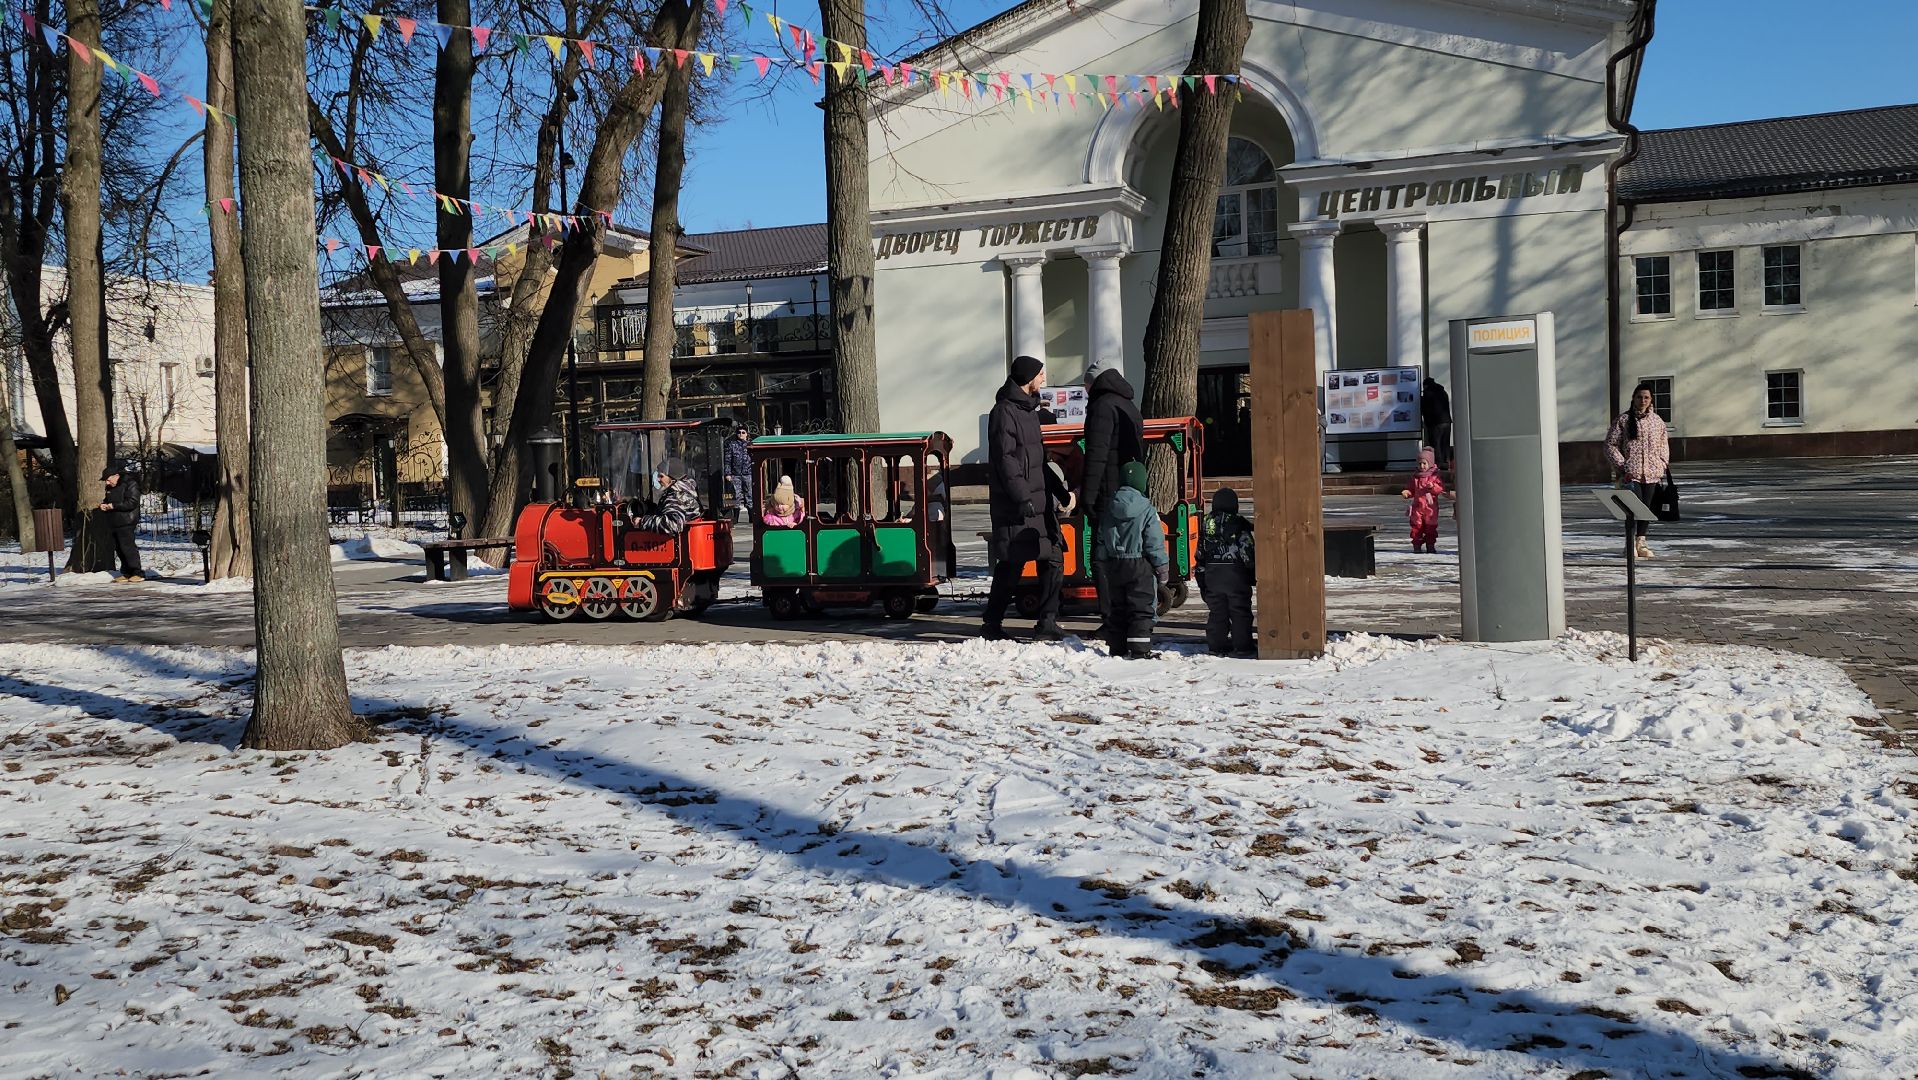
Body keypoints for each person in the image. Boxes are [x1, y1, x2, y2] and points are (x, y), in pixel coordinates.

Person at [982, 354, 1064, 642]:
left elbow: (1038, 461)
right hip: (1017, 506)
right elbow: (1005, 460)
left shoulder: (1029, 411)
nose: (1044, 379)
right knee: (1011, 565)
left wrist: (1059, 490)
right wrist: (1021, 497)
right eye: (1041, 375)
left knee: (1053, 557)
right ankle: (992, 624)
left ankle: (1048, 622)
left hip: (1040, 504)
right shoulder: (1003, 412)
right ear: (1029, 378)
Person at [1080, 361, 1144, 632]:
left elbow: (1096, 455)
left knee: (1102, 559)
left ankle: (1111, 620)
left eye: (1085, 386)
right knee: (1129, 555)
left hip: (1108, 494)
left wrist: (1087, 497)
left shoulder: (1102, 407)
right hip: (1131, 494)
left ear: (1093, 383)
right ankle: (1135, 615)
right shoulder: (1128, 403)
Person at [1094, 461, 1167, 659]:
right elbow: (1154, 540)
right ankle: (1139, 649)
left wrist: (1102, 560)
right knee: (1141, 607)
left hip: (1115, 563)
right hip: (1139, 564)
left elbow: (1101, 536)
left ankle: (1117, 647)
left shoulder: (1110, 506)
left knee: (1118, 607)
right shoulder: (1146, 508)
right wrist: (1161, 566)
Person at [1606, 382, 1671, 560]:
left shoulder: (1657, 422)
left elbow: (1663, 444)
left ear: (1651, 400)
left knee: (1647, 509)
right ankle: (1629, 543)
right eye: (1639, 397)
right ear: (1633, 398)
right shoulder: (1623, 420)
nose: (1643, 400)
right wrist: (1623, 465)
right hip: (1630, 474)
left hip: (1651, 474)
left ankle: (1641, 542)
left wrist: (1662, 463)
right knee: (1633, 509)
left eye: (1646, 397)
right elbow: (1610, 445)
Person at [1197, 487, 1255, 656]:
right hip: (1235, 573)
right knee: (1240, 610)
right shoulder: (1238, 524)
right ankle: (1243, 645)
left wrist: (1202, 575)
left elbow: (1201, 552)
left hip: (1212, 573)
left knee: (1217, 611)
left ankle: (1216, 645)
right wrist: (1251, 569)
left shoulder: (1207, 524)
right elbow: (1247, 550)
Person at [98, 461, 143, 583]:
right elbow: (107, 500)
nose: (107, 483)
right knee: (119, 548)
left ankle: (137, 572)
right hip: (114, 521)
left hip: (127, 520)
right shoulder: (110, 488)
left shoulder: (130, 484)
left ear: (116, 476)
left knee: (128, 547)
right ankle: (127, 572)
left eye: (108, 480)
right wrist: (103, 505)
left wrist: (113, 506)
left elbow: (132, 502)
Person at [1401, 446, 1451, 554]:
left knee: (1430, 527)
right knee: (1416, 527)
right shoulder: (1415, 477)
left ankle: (1430, 545)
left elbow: (1440, 489)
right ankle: (1417, 545)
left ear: (1430, 464)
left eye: (1424, 463)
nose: (1422, 466)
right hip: (1417, 507)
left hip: (1430, 508)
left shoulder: (1434, 476)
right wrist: (1407, 493)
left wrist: (1432, 487)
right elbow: (1411, 489)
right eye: (1420, 464)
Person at [635, 457, 702, 535]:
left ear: (672, 478)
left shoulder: (676, 496)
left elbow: (673, 525)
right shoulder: (687, 490)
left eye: (661, 476)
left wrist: (642, 522)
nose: (658, 479)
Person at [1421, 378, 1453, 471]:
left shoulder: (1428, 394)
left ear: (1426, 385)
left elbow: (1426, 410)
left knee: (1436, 443)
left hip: (1435, 423)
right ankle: (1447, 462)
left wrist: (1427, 423)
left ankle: (1439, 464)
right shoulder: (1443, 392)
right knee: (1445, 443)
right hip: (1447, 421)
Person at [724, 425, 754, 524]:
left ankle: (751, 517)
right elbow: (727, 460)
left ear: (747, 434)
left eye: (743, 432)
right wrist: (727, 473)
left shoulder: (750, 445)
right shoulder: (732, 445)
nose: (741, 434)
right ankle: (735, 518)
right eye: (739, 432)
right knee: (735, 495)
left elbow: (754, 459)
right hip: (735, 474)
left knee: (749, 495)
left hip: (748, 474)